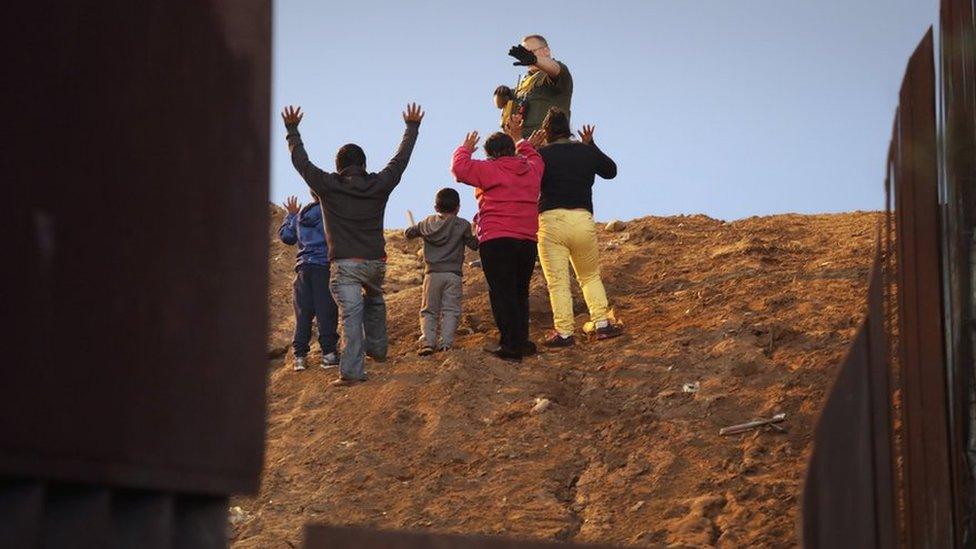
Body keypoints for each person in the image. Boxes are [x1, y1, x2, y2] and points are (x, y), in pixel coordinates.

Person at [281, 103, 425, 386]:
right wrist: (411, 127)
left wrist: (292, 130)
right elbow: (400, 161)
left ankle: (352, 372)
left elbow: (301, 163)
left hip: (345, 264)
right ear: (364, 164)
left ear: (339, 166)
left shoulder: (328, 186)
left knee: (351, 316)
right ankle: (379, 348)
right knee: (374, 299)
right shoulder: (379, 184)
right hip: (375, 262)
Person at [451, 117, 545, 362]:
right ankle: (521, 341)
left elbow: (459, 170)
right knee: (519, 291)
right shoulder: (531, 169)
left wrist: (465, 149)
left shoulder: (488, 169)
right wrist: (520, 140)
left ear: (489, 154)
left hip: (496, 238)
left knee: (502, 292)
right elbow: (534, 157)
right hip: (527, 239)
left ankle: (511, 346)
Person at [535, 107, 622, 347]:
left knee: (558, 281)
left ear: (546, 131)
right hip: (582, 219)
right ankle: (602, 324)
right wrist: (592, 145)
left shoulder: (542, 155)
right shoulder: (585, 152)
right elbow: (611, 171)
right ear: (568, 128)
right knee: (589, 276)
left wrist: (531, 150)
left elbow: (526, 178)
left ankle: (564, 333)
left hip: (551, 221)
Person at [404, 188, 480, 356]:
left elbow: (409, 233)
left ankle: (428, 342)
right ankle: (446, 344)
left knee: (429, 310)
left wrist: (414, 230)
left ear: (436, 207)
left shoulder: (426, 223)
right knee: (450, 310)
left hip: (432, 275)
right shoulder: (462, 225)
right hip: (453, 275)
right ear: (458, 208)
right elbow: (474, 244)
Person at [278, 193, 341, 370]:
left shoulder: (300, 216)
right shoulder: (330, 212)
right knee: (326, 310)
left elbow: (286, 237)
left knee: (303, 313)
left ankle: (299, 358)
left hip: (303, 269)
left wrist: (290, 215)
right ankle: (328, 355)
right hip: (323, 267)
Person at [494, 34, 573, 139]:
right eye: (524, 53)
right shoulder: (522, 85)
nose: (525, 56)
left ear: (546, 51)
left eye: (531, 52)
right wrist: (500, 94)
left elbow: (556, 70)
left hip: (547, 143)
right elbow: (500, 104)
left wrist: (534, 60)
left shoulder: (552, 72)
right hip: (520, 144)